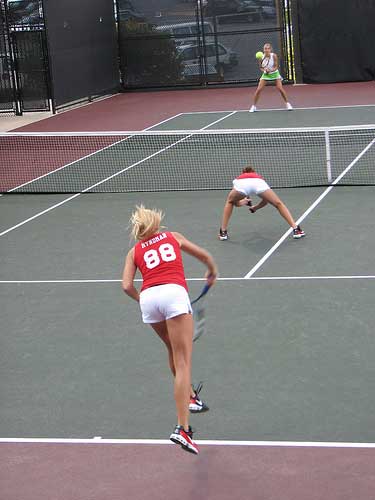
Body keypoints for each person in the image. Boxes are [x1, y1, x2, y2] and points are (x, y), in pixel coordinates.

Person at [122, 205, 218, 455]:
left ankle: (190, 396)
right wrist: (211, 271)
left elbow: (126, 286)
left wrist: (143, 298)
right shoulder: (173, 237)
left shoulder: (134, 251)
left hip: (149, 299)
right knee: (183, 361)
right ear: (156, 223)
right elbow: (205, 257)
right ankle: (182, 428)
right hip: (173, 295)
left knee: (172, 350)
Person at [218, 166, 305, 240]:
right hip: (258, 184)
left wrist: (243, 202)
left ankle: (223, 232)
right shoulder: (258, 177)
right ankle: (296, 229)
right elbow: (265, 201)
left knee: (229, 202)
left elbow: (235, 203)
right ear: (253, 172)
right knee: (278, 204)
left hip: (242, 185)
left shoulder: (238, 179)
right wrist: (255, 207)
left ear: (243, 173)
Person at [250, 43, 293, 112]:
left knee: (280, 88)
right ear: (263, 50)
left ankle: (287, 104)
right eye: (265, 49)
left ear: (270, 49)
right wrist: (264, 71)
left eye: (268, 48)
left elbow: (276, 66)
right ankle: (254, 106)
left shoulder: (274, 56)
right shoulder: (260, 57)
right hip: (266, 74)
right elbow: (261, 67)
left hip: (275, 73)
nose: (266, 50)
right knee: (258, 90)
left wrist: (271, 70)